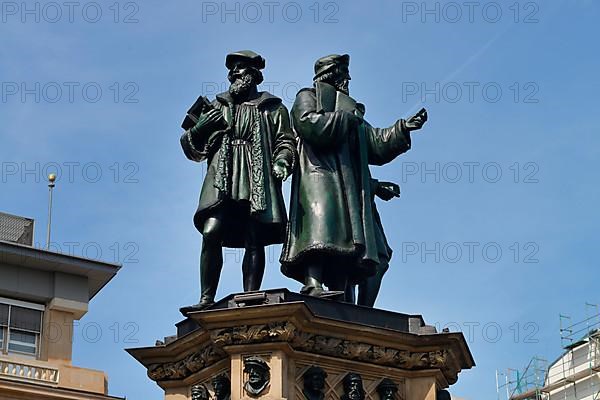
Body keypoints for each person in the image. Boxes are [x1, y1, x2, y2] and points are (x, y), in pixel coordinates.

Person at [280, 54, 427, 301]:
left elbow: (374, 142)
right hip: (318, 176)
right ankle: (312, 284)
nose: (347, 79)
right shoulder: (308, 96)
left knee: (344, 243)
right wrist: (346, 119)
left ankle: (343, 297)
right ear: (332, 74)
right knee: (321, 233)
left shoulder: (348, 108)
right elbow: (308, 125)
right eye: (343, 73)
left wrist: (402, 128)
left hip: (348, 185)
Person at [181, 50, 296, 309]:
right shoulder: (216, 105)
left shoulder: (273, 108)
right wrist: (201, 128)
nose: (234, 73)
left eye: (240, 68)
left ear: (254, 74)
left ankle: (251, 294)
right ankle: (206, 297)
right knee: (211, 232)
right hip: (223, 178)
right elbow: (188, 143)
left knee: (254, 236)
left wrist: (282, 161)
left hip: (257, 176)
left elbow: (286, 141)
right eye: (231, 69)